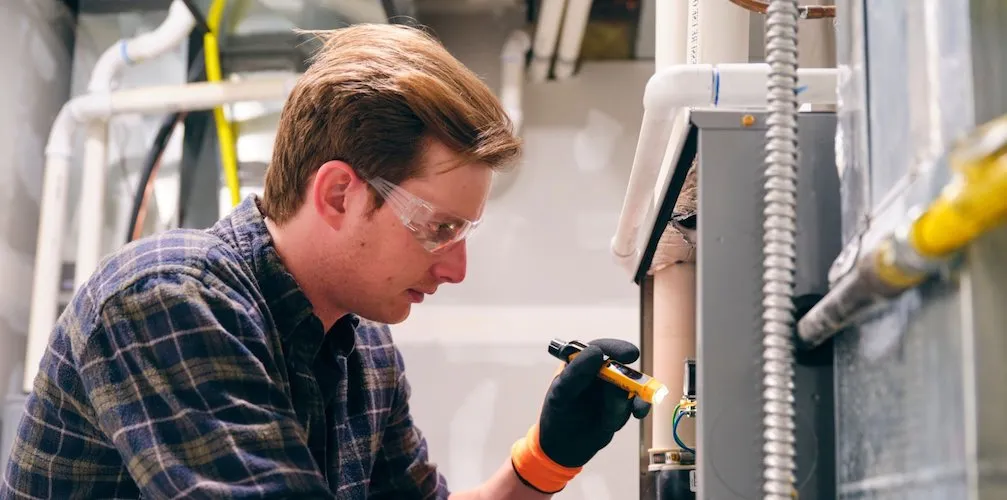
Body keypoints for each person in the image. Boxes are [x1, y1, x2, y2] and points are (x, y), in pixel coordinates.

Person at [2, 23, 650, 499]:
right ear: (339, 193)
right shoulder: (167, 298)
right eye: (439, 228)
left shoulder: (363, 346)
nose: (455, 269)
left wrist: (544, 459)